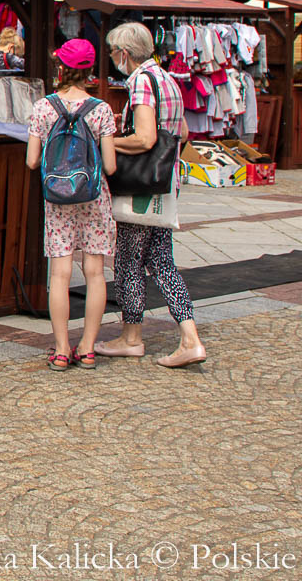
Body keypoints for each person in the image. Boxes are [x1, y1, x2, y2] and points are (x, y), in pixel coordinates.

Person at [96, 21, 207, 368]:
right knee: (161, 261)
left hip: (140, 188)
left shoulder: (141, 81)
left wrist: (110, 142)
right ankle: (189, 337)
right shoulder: (167, 78)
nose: (112, 57)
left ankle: (131, 337)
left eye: (113, 52)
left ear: (124, 53)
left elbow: (145, 138)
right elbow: (181, 131)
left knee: (129, 260)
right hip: (165, 184)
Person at [24, 38, 117, 370]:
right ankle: (88, 348)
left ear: (61, 67)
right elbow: (110, 167)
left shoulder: (44, 107)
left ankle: (62, 349)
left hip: (58, 199)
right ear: (90, 70)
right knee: (95, 272)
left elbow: (32, 160)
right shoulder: (101, 109)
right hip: (93, 197)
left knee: (61, 273)